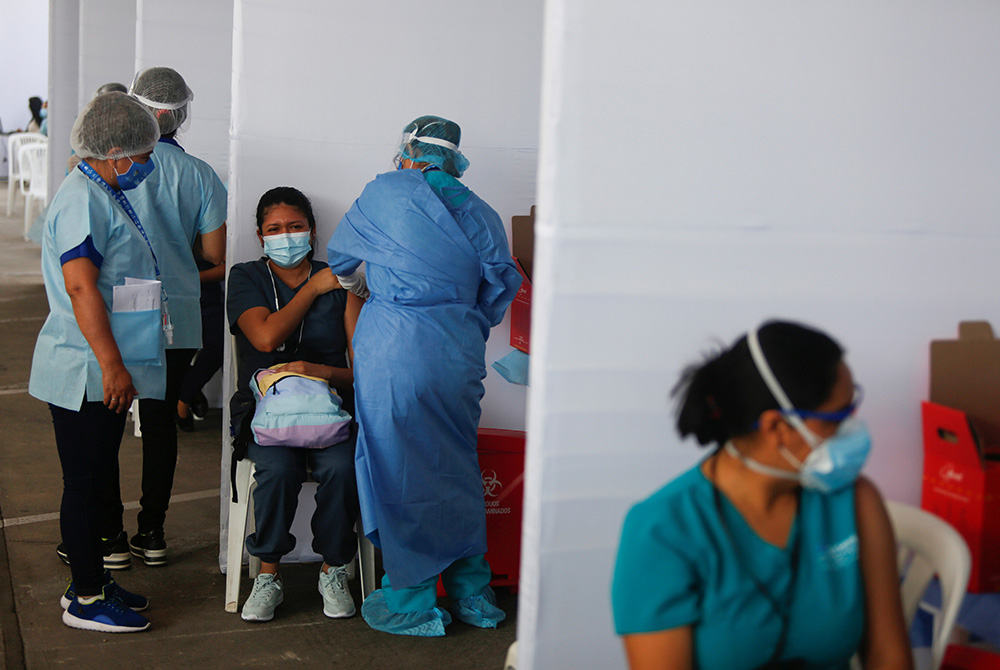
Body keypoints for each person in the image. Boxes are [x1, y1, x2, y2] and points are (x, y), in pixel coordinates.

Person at [612, 321, 913, 670]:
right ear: (778, 428)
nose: (853, 428)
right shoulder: (661, 531)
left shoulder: (855, 501)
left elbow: (888, 655)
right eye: (838, 416)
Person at [326, 115, 522, 637]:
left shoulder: (385, 195)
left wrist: (374, 289)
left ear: (408, 150)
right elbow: (501, 284)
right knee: (456, 467)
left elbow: (341, 260)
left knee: (399, 471)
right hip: (455, 351)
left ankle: (412, 600)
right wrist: (459, 317)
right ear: (454, 158)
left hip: (393, 348)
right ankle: (471, 593)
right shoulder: (479, 211)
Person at [28, 92, 164, 633]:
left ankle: (93, 580)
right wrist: (111, 365)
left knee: (96, 475)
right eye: (141, 154)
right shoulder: (83, 197)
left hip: (99, 364)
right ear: (113, 151)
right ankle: (86, 598)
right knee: (84, 482)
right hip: (85, 368)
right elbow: (81, 285)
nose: (147, 165)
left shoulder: (100, 189)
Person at [229, 187, 363, 623]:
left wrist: (315, 369)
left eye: (295, 227)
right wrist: (311, 289)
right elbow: (265, 338)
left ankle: (333, 569)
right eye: (274, 229)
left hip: (331, 413)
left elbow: (362, 368)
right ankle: (268, 575)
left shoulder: (342, 280)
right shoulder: (246, 276)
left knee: (344, 469)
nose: (285, 236)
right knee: (278, 470)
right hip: (268, 414)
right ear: (259, 235)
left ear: (312, 230)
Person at [115, 66, 227, 566]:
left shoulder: (111, 165)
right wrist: (177, 279)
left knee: (103, 423)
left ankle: (103, 537)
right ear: (181, 114)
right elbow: (215, 255)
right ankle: (152, 532)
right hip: (178, 315)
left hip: (120, 310)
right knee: (160, 425)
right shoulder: (200, 174)